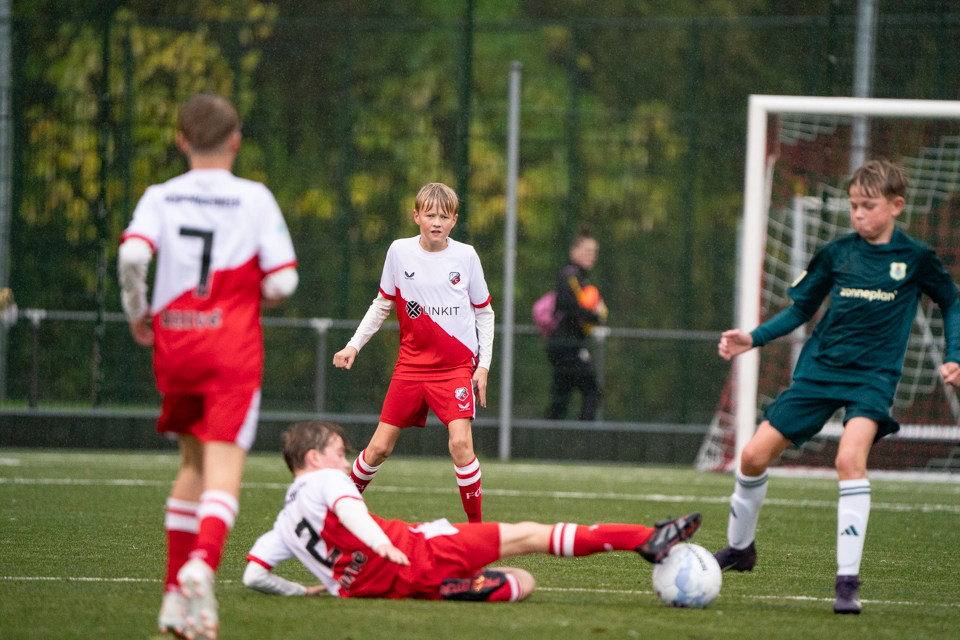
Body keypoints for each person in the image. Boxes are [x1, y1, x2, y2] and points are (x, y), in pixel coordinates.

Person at [714, 159, 960, 615]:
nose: (858, 215)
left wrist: (954, 355)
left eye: (868, 206)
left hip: (873, 379)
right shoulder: (836, 253)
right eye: (853, 206)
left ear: (896, 206)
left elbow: (951, 301)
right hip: (820, 373)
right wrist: (752, 338)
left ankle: (847, 582)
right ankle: (739, 549)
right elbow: (799, 312)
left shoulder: (915, 259)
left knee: (849, 459)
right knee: (751, 457)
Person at [118, 94, 298, 639]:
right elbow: (284, 281)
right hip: (231, 350)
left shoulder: (159, 196)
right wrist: (252, 296)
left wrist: (136, 312)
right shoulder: (254, 198)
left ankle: (175, 601)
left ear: (180, 140)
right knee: (223, 471)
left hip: (176, 347)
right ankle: (202, 565)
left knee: (191, 464)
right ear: (236, 141)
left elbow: (131, 256)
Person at [242, 420, 702, 602]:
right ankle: (644, 539)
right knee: (530, 536)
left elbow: (254, 576)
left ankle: (457, 588)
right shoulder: (327, 480)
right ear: (313, 458)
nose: (346, 461)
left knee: (522, 582)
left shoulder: (283, 525)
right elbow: (351, 511)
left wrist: (305, 592)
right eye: (339, 452)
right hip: (420, 548)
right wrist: (382, 543)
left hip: (391, 588)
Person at [332, 183, 494, 523]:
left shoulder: (465, 256)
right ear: (416, 216)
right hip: (411, 366)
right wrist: (353, 345)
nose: (437, 222)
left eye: (444, 216)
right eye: (430, 215)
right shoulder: (399, 252)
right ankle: (336, 514)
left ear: (454, 221)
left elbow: (484, 312)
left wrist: (483, 366)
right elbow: (382, 305)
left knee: (460, 445)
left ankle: (477, 531)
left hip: (455, 369)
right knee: (378, 449)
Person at [546, 229, 608, 421]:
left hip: (568, 345)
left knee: (561, 397)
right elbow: (569, 305)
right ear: (574, 251)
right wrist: (595, 316)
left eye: (594, 252)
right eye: (587, 251)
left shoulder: (582, 278)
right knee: (592, 388)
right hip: (566, 346)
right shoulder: (570, 275)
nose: (591, 256)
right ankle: (583, 437)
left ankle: (552, 437)